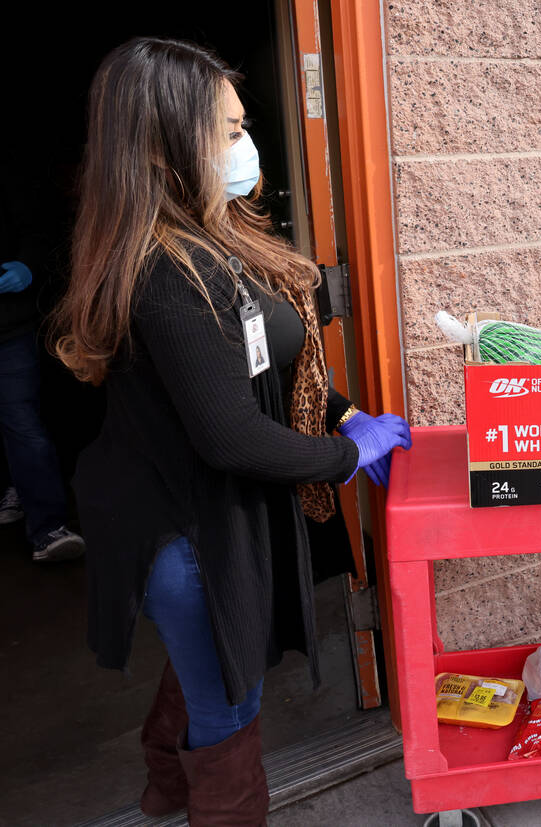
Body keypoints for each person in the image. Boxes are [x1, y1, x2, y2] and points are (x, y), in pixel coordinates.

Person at [53, 38, 412, 825]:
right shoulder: (163, 274)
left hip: (212, 511)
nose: (245, 145)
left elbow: (270, 370)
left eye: (243, 124)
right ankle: (209, 798)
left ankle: (163, 780)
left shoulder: (219, 237)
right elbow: (234, 436)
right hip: (183, 532)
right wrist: (350, 455)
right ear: (168, 143)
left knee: (217, 657)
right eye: (228, 129)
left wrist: (344, 411)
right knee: (231, 710)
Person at [0, 170, 85, 562]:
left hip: (7, 328)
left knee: (22, 424)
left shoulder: (10, 183)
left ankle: (48, 529)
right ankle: (14, 487)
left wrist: (27, 267)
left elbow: (39, 230)